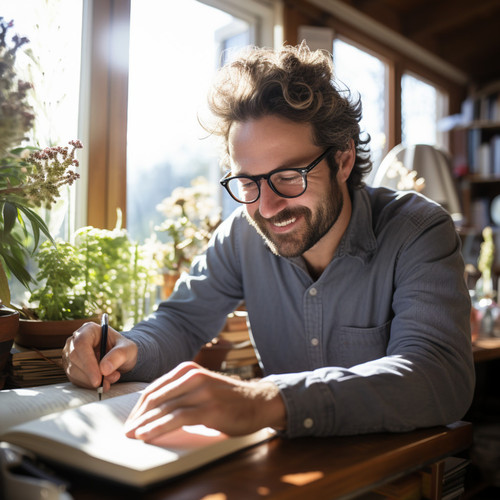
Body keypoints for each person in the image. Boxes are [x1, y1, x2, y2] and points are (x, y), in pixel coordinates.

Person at [63, 43, 475, 441]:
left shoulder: (418, 230)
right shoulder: (242, 234)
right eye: (247, 182)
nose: (268, 205)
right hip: (284, 470)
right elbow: (182, 322)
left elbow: (437, 375)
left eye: (289, 176)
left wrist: (265, 400)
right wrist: (128, 348)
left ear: (343, 159)